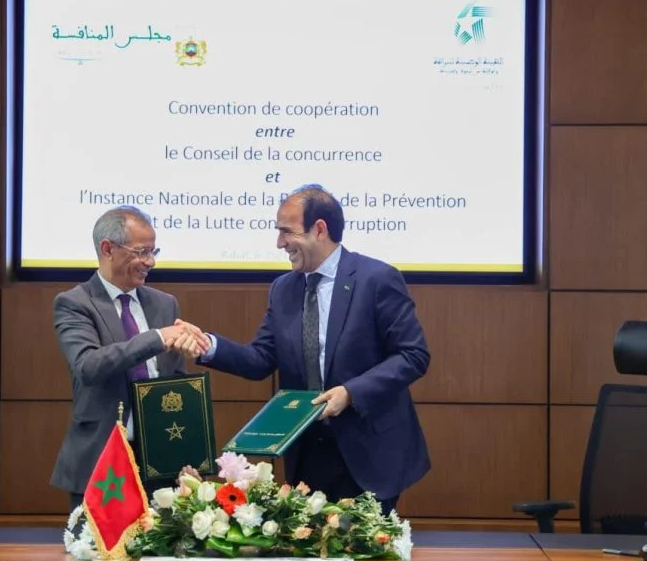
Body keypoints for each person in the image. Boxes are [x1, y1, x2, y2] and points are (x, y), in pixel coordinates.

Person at [178, 185, 430, 515]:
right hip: (307, 452)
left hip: (369, 449)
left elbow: (413, 355)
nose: (279, 243)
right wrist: (208, 346)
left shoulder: (377, 279)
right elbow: (260, 359)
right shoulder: (284, 288)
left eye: (287, 231)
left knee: (367, 546)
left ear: (319, 229)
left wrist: (350, 392)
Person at [50, 205, 208, 511]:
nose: (150, 262)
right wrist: (157, 338)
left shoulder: (164, 304)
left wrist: (188, 453)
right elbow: (88, 366)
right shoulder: (75, 303)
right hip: (102, 460)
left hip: (161, 461)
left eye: (153, 251)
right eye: (141, 252)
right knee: (98, 543)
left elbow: (175, 383)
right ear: (108, 249)